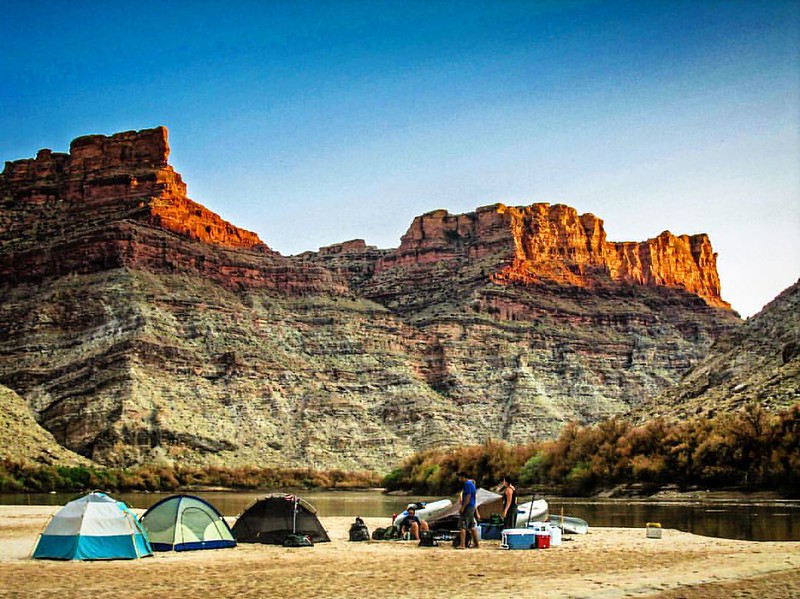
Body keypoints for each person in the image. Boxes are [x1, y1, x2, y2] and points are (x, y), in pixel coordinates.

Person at [456, 471, 479, 549]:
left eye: (459, 477)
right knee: (471, 526)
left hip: (468, 507)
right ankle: (476, 544)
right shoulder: (471, 484)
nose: (459, 479)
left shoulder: (467, 484)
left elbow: (468, 497)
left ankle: (462, 545)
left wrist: (463, 508)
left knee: (462, 525)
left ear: (463, 477)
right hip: (471, 507)